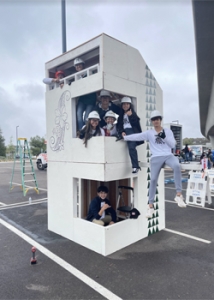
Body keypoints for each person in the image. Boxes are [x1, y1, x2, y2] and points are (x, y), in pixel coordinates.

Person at [123, 110, 186, 218]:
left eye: (157, 119)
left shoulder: (168, 131)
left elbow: (172, 145)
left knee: (176, 166)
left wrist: (163, 136)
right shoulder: (149, 133)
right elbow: (138, 136)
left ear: (160, 120)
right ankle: (150, 206)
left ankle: (179, 195)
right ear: (152, 121)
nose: (156, 121)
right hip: (156, 157)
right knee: (153, 180)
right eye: (153, 119)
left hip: (168, 155)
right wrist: (125, 137)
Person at [117, 96, 143, 174]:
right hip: (125, 131)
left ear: (130, 105)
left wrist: (131, 116)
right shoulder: (121, 115)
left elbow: (136, 123)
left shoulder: (132, 113)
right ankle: (135, 166)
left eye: (127, 104)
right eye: (124, 104)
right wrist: (122, 131)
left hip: (132, 131)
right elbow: (119, 125)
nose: (125, 106)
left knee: (132, 147)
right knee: (130, 148)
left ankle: (135, 166)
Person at [74, 57, 97, 130]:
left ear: (83, 65)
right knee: (78, 115)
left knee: (86, 117)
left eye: (79, 65)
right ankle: (82, 131)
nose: (78, 66)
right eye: (76, 65)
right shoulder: (77, 77)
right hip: (82, 99)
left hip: (91, 98)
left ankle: (87, 131)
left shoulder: (90, 72)